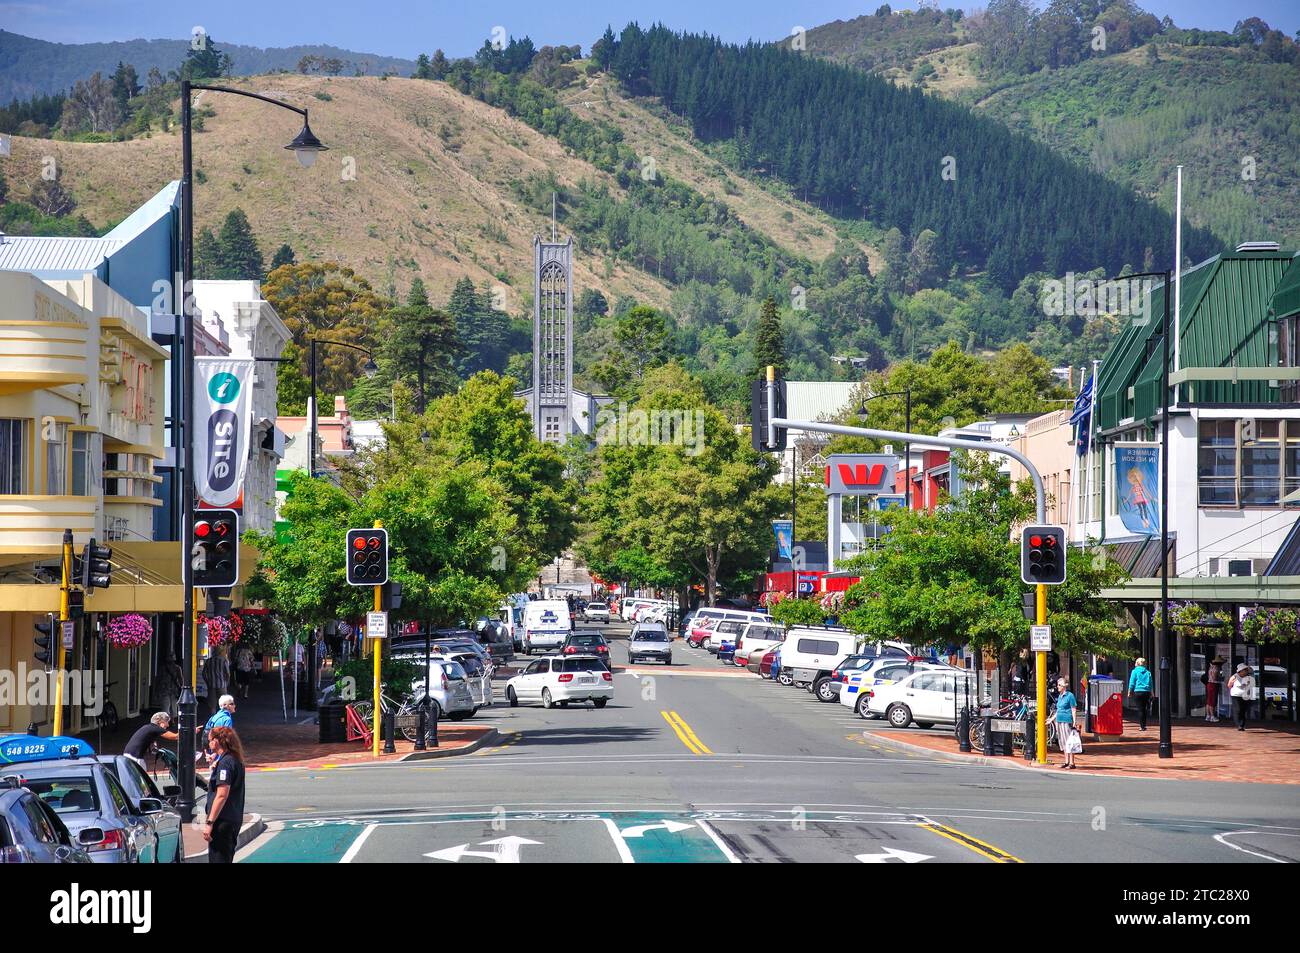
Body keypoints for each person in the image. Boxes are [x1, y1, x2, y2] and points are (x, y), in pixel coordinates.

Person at [203, 726, 246, 864]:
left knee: (219, 858)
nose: (209, 743)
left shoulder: (226, 763)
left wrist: (210, 822)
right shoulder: (234, 760)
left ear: (217, 741)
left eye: (210, 740)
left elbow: (222, 795)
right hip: (232, 818)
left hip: (223, 821)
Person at [201, 695, 237, 764]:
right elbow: (225, 739)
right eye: (232, 704)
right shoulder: (227, 719)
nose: (234, 706)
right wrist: (215, 755)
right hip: (220, 756)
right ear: (226, 706)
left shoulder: (213, 717)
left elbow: (205, 736)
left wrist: (207, 754)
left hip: (211, 754)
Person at [1055, 676, 1079, 769]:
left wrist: (1074, 721)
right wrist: (1051, 719)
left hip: (1067, 720)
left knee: (1069, 741)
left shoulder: (1070, 696)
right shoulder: (1060, 696)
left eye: (1059, 685)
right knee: (1062, 741)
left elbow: (1073, 709)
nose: (1058, 687)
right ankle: (1066, 761)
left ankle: (1072, 762)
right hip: (1059, 720)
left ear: (1064, 686)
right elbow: (1058, 710)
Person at [1227, 663, 1256, 732]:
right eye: (1244, 670)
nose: (1246, 671)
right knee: (1238, 709)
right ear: (1240, 671)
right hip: (1236, 695)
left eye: (1246, 670)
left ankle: (1242, 725)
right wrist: (1232, 683)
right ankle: (1239, 725)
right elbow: (1229, 685)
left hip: (1245, 695)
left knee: (1243, 710)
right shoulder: (1235, 676)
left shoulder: (1248, 677)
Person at [1127, 656, 1153, 730]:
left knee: (1140, 709)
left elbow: (1132, 682)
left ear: (1138, 663)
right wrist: (1152, 693)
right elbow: (1151, 684)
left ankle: (1142, 726)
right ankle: (1144, 725)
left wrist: (1129, 692)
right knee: (1144, 709)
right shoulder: (1148, 672)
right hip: (1146, 692)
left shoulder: (1134, 671)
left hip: (1138, 691)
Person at [1204, 656, 1223, 723]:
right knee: (1212, 701)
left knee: (1209, 700)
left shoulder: (1211, 667)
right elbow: (1215, 677)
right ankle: (1212, 716)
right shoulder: (1216, 668)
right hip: (1214, 684)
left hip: (1209, 684)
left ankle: (1208, 715)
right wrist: (1220, 677)